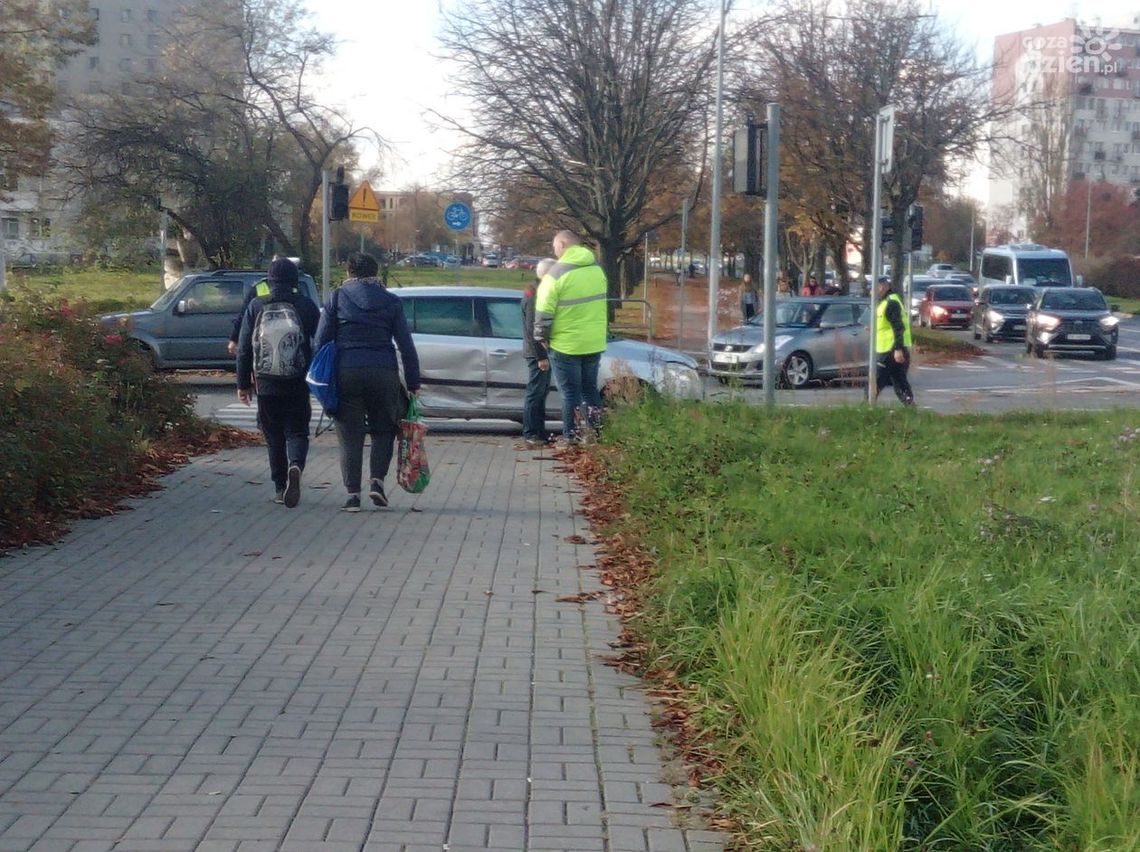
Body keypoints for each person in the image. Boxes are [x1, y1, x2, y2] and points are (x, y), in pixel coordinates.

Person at [313, 252, 421, 512]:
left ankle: (352, 496)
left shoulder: (337, 298)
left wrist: (322, 376)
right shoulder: (392, 302)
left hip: (347, 372)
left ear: (349, 273)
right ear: (376, 273)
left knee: (349, 434)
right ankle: (377, 483)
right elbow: (406, 345)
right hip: (383, 372)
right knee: (384, 428)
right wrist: (413, 382)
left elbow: (320, 340)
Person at [236, 257, 321, 507]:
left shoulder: (256, 305)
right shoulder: (306, 305)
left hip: (266, 383)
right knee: (297, 431)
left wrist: (242, 384)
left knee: (273, 436)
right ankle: (296, 465)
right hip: (297, 380)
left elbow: (244, 349)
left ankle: (280, 487)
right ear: (295, 280)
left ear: (269, 280)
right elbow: (321, 342)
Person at [534, 230, 608, 445]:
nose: (554, 251)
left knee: (569, 394)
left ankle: (571, 437)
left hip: (565, 344)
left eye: (554, 246)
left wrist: (541, 337)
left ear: (563, 244)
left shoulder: (555, 274)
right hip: (593, 342)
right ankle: (597, 434)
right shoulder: (597, 270)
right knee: (590, 390)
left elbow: (544, 311)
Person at [521, 257, 556, 449]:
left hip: (539, 351)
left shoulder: (536, 290)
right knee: (535, 393)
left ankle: (539, 432)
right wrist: (541, 356)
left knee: (541, 393)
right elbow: (533, 327)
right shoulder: (536, 294)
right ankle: (531, 433)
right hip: (537, 353)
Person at [873, 275, 915, 406]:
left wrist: (898, 349)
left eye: (874, 287)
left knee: (875, 383)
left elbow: (898, 327)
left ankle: (866, 409)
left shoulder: (891, 303)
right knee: (899, 382)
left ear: (883, 286)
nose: (871, 291)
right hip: (891, 349)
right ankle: (910, 407)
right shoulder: (884, 302)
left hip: (890, 350)